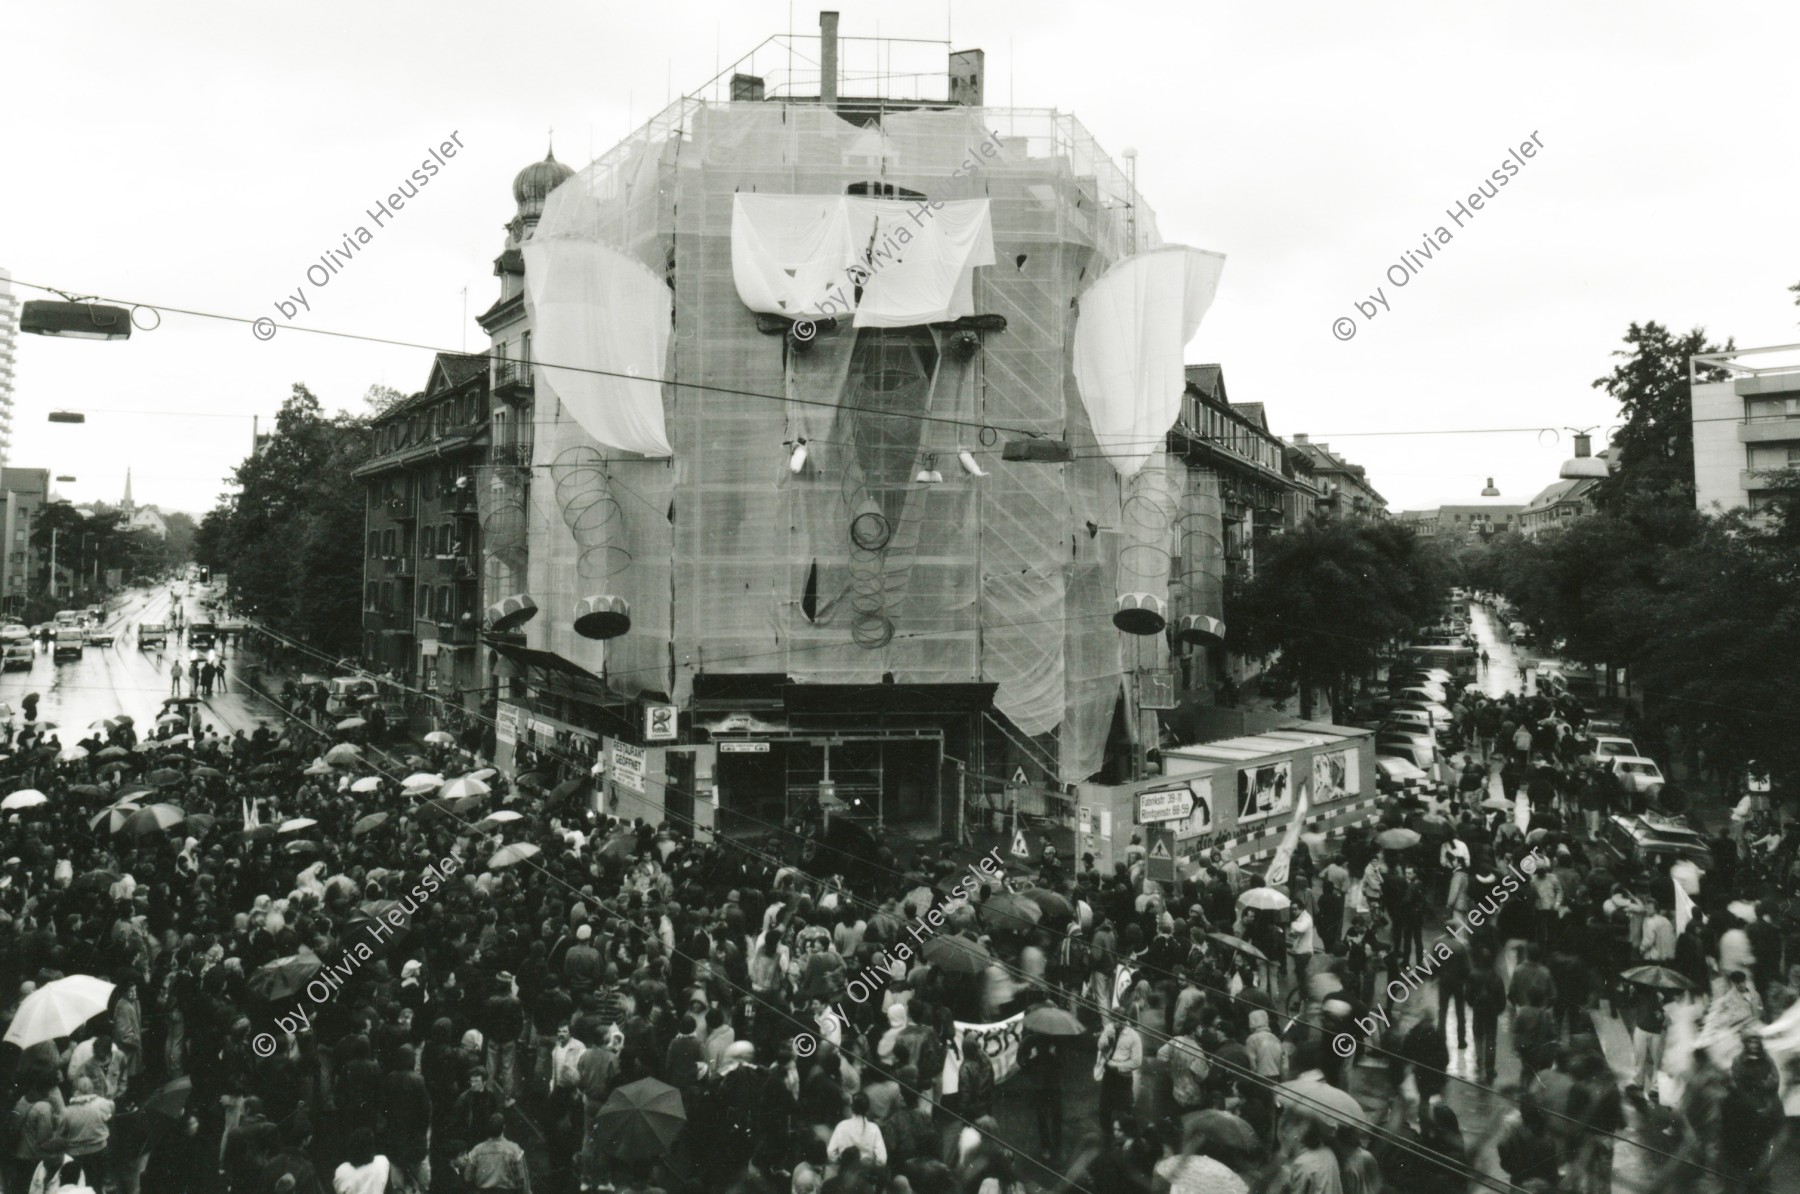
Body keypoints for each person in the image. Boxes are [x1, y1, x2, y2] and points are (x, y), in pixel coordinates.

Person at [456, 1115, 529, 1194]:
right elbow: (522, 1180)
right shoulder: (515, 1150)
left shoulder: (477, 1150)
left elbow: (468, 1177)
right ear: (504, 1127)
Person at [824, 1090, 885, 1167]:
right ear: (867, 1109)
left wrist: (841, 1161)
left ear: (852, 1107)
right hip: (866, 1174)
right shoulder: (874, 1128)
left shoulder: (842, 1126)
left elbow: (830, 1153)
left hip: (845, 1171)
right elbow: (882, 1159)